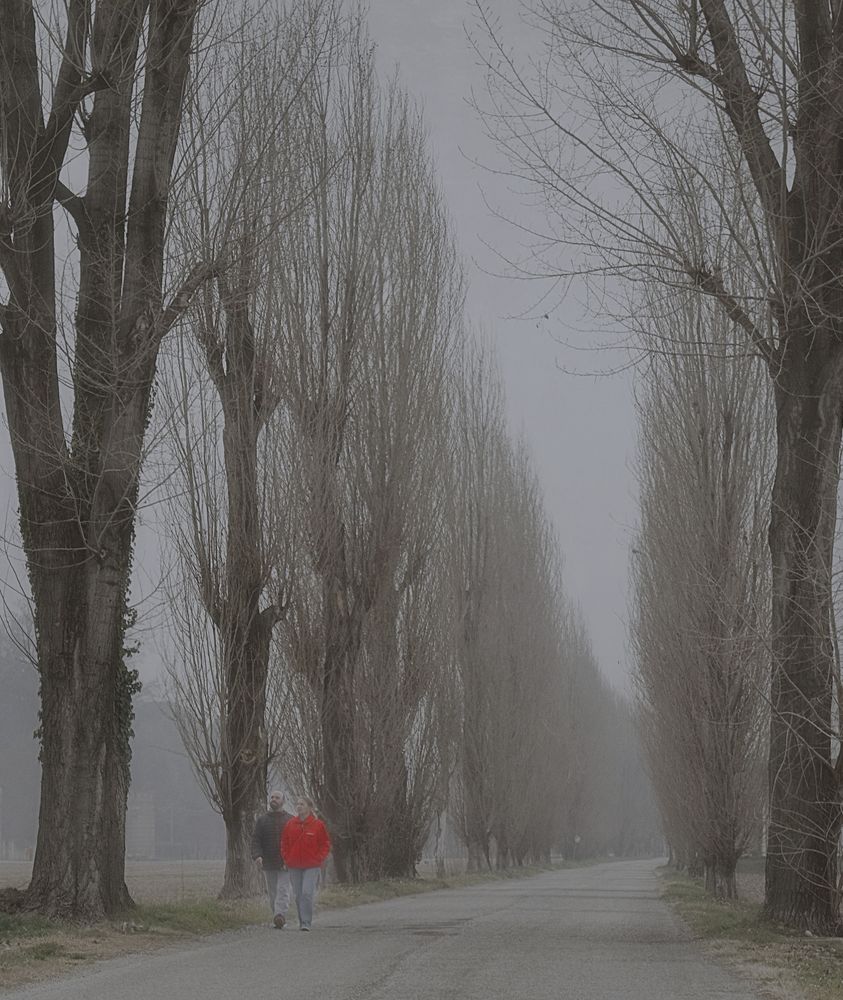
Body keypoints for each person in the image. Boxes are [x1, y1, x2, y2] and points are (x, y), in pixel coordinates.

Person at [280, 796, 331, 931]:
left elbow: (325, 844)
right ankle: (302, 920)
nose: (299, 806)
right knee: (298, 894)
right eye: (297, 804)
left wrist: (319, 858)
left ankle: (306, 923)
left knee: (307, 893)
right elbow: (284, 843)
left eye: (302, 804)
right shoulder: (290, 824)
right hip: (294, 865)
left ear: (309, 807)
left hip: (311, 865)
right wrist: (286, 858)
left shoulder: (318, 825)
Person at [251, 790, 293, 928]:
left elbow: (297, 841)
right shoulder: (262, 820)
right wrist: (257, 856)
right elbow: (256, 840)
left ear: (283, 801)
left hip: (286, 862)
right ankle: (276, 914)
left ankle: (280, 915)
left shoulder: (291, 820)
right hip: (268, 861)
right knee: (272, 890)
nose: (274, 799)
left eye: (277, 797)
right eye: (272, 797)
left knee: (283, 889)